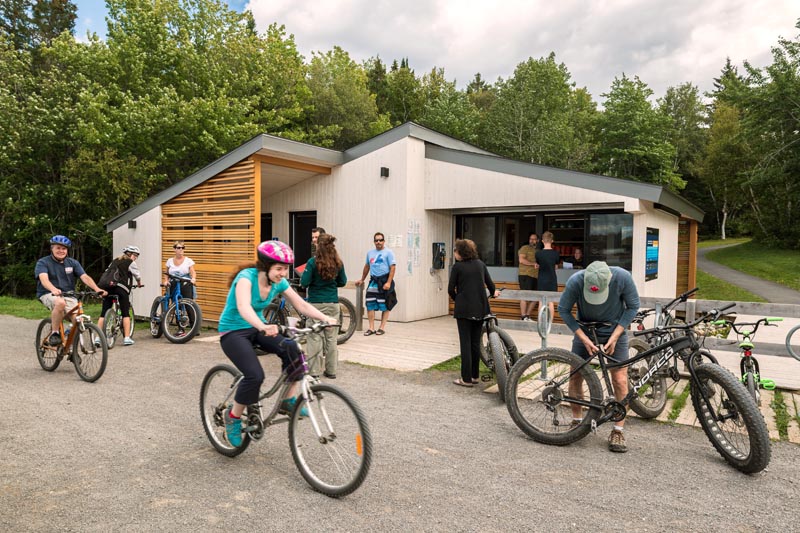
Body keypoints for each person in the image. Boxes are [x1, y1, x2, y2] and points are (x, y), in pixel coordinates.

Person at [218, 240, 333, 447]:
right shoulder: (246, 278)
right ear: (265, 266)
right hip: (233, 331)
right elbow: (244, 308)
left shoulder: (279, 282)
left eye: (286, 269)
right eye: (279, 268)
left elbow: (301, 304)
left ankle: (287, 401)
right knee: (255, 375)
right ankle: (233, 417)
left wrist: (325, 319)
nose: (283, 273)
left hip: (258, 327)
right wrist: (262, 326)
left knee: (293, 348)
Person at [557, 261, 640, 453]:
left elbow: (633, 306)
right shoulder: (576, 281)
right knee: (575, 375)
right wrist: (582, 338)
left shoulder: (621, 277)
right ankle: (577, 420)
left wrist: (617, 334)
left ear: (609, 281)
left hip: (614, 330)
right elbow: (563, 309)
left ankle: (618, 430)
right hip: (585, 330)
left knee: (619, 379)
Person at [35, 235, 107, 346]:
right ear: (52, 248)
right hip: (48, 293)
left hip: (69, 294)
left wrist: (97, 289)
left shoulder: (72, 263)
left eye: (64, 248)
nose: (61, 251)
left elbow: (84, 277)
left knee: (78, 321)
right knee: (60, 303)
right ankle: (54, 333)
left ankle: (70, 349)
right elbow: (44, 280)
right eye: (58, 248)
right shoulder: (43, 262)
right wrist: (53, 289)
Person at [448, 239, 499, 387]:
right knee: (476, 343)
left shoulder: (457, 267)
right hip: (480, 308)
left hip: (463, 309)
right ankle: (475, 376)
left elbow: (450, 289)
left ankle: (466, 379)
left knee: (465, 343)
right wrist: (494, 293)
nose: (455, 253)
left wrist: (457, 299)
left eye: (455, 250)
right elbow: (491, 285)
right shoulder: (480, 264)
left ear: (460, 252)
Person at [300, 233, 346, 379]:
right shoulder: (338, 262)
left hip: (315, 305)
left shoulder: (312, 262)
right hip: (332, 303)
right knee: (331, 338)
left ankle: (314, 372)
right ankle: (331, 371)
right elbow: (342, 281)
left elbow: (304, 282)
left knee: (314, 338)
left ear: (318, 246)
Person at [97, 245, 144, 346]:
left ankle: (97, 338)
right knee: (125, 313)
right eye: (135, 255)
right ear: (129, 254)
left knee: (103, 313)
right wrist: (139, 283)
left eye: (137, 256)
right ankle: (127, 338)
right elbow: (137, 275)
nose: (135, 257)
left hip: (107, 288)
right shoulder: (131, 262)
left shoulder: (115, 261)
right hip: (120, 288)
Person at [355, 232, 397, 335]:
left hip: (384, 281)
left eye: (380, 240)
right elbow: (367, 266)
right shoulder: (370, 253)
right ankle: (371, 328)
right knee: (370, 304)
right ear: (374, 242)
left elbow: (393, 267)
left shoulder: (389, 252)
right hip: (373, 282)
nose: (378, 242)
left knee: (385, 305)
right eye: (376, 240)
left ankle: (382, 327)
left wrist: (388, 282)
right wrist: (362, 279)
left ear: (384, 241)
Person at [535, 231, 560, 322]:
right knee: (551, 302)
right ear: (552, 240)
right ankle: (550, 323)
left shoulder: (538, 253)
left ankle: (540, 322)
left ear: (542, 241)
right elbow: (556, 266)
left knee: (541, 301)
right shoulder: (556, 253)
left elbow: (537, 265)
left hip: (541, 279)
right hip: (552, 279)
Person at [517, 232, 540, 321]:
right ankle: (523, 316)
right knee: (524, 295)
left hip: (535, 276)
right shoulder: (525, 248)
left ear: (537, 240)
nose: (532, 240)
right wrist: (533, 263)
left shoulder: (538, 251)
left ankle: (527, 316)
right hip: (525, 275)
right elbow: (521, 260)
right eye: (530, 239)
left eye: (534, 239)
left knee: (535, 297)